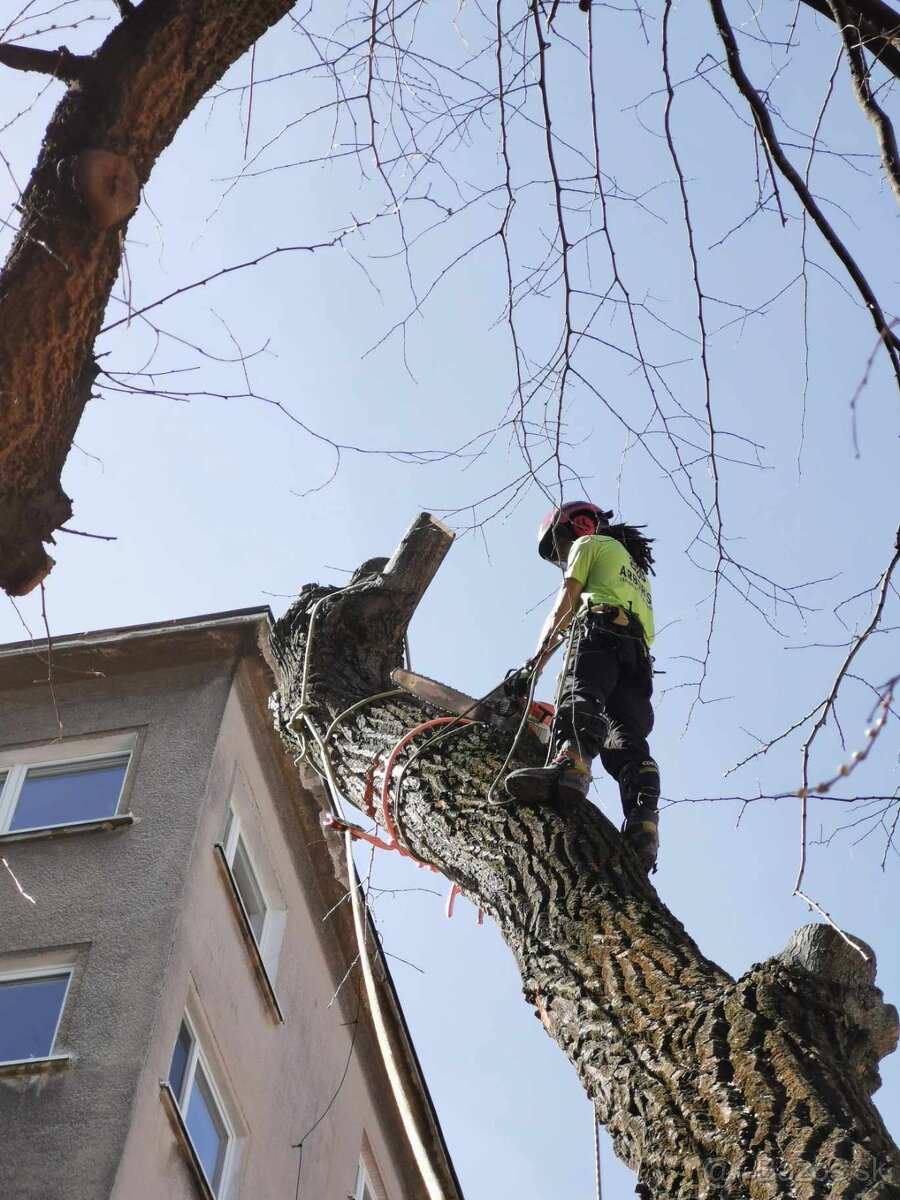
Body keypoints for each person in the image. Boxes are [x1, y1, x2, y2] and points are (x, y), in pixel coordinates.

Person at [504, 500, 661, 873]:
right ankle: (644, 827)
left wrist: (533, 668)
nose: (563, 555)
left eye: (561, 545)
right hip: (638, 657)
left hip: (600, 629)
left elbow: (565, 606)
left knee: (580, 696)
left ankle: (570, 768)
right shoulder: (637, 575)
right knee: (628, 741)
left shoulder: (588, 545)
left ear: (579, 524)